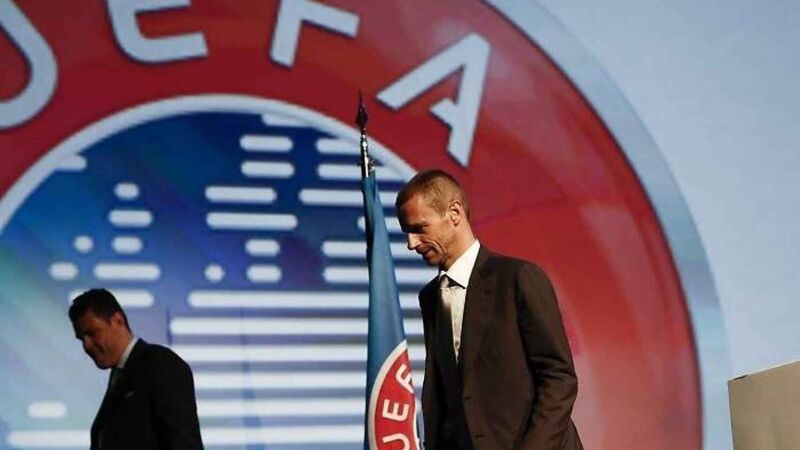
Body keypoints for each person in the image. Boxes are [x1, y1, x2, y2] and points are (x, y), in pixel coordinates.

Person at [395, 170, 582, 450]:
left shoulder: (519, 278)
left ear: (454, 213)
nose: (411, 244)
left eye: (420, 228)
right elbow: (445, 392)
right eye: (407, 233)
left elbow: (559, 378)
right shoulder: (430, 297)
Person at [69, 288, 204, 450]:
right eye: (81, 338)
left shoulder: (161, 365)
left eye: (92, 333)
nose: (86, 345)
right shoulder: (119, 376)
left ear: (118, 321)